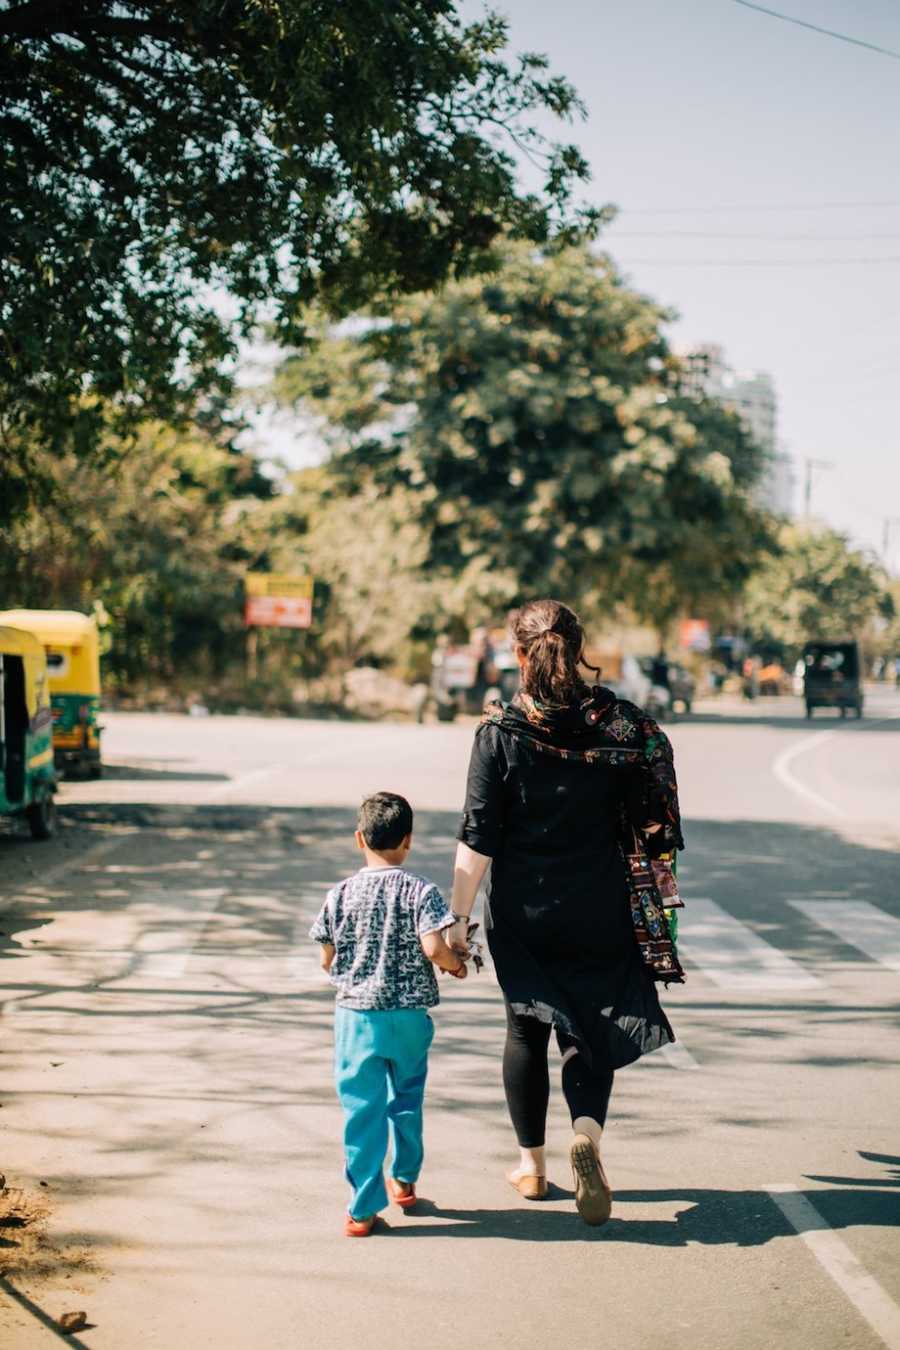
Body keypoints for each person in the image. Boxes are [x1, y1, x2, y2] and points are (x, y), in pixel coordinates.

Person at [447, 599, 684, 1227]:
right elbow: (652, 819)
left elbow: (478, 839)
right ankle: (587, 1136)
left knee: (526, 1028)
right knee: (588, 1027)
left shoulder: (500, 733)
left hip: (523, 910)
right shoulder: (622, 727)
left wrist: (457, 921)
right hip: (600, 905)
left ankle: (531, 1166)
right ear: (578, 649)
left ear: (519, 654)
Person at [310, 791, 467, 1237]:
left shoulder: (339, 894)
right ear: (408, 840)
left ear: (359, 838)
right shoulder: (421, 891)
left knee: (362, 1110)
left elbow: (327, 955)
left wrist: (343, 969)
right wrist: (456, 964)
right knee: (407, 1099)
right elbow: (434, 947)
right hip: (409, 1017)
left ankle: (362, 1209)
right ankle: (405, 1179)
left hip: (357, 1018)